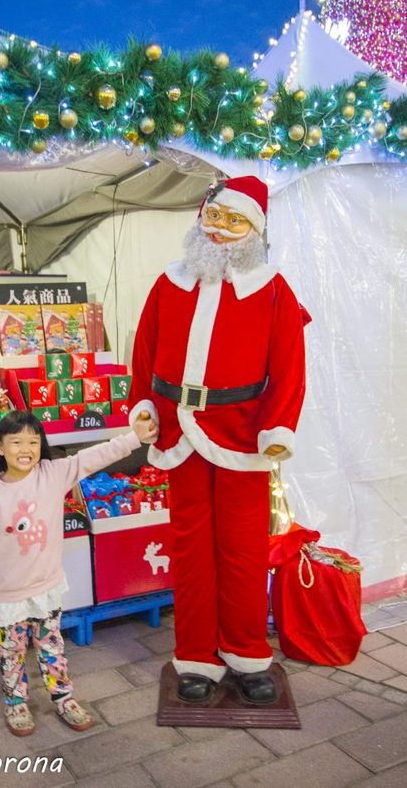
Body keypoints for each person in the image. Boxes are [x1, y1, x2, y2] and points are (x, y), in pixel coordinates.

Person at [129, 175, 306, 705]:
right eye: (215, 216)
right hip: (179, 431)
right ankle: (197, 656)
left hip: (243, 437)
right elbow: (144, 349)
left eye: (235, 220)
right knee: (190, 549)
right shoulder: (169, 282)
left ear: (254, 228)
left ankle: (247, 652)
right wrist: (141, 405)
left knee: (243, 550)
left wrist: (278, 426)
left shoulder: (272, 288)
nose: (221, 229)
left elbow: (290, 366)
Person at [0, 408, 158, 736]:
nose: (26, 449)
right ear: (0, 447)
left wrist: (134, 438)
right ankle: (16, 703)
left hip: (47, 588)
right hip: (9, 594)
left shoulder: (53, 473)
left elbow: (94, 456)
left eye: (33, 441)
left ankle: (63, 697)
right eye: (16, 442)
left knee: (51, 646)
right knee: (11, 652)